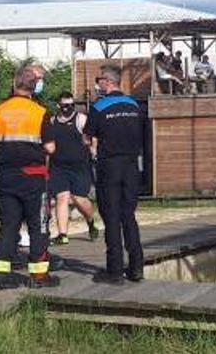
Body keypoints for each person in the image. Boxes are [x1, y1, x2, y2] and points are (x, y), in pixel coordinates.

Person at [0, 64, 60, 290]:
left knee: (8, 225)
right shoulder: (40, 112)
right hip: (34, 177)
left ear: (13, 84)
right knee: (39, 226)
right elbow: (51, 147)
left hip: (6, 176)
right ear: (34, 87)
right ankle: (38, 277)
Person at [86, 64, 148, 284]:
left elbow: (88, 136)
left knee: (111, 217)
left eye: (99, 79)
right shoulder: (134, 105)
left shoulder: (99, 106)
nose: (98, 83)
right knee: (128, 215)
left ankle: (114, 271)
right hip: (131, 166)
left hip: (109, 166)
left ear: (107, 81)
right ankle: (137, 267)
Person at [47, 92, 99, 246]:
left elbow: (92, 135)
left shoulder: (81, 119)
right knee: (61, 198)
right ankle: (62, 234)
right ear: (58, 106)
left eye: (71, 105)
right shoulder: (52, 121)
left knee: (78, 198)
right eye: (65, 106)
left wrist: (93, 148)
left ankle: (90, 221)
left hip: (79, 166)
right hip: (59, 166)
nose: (68, 108)